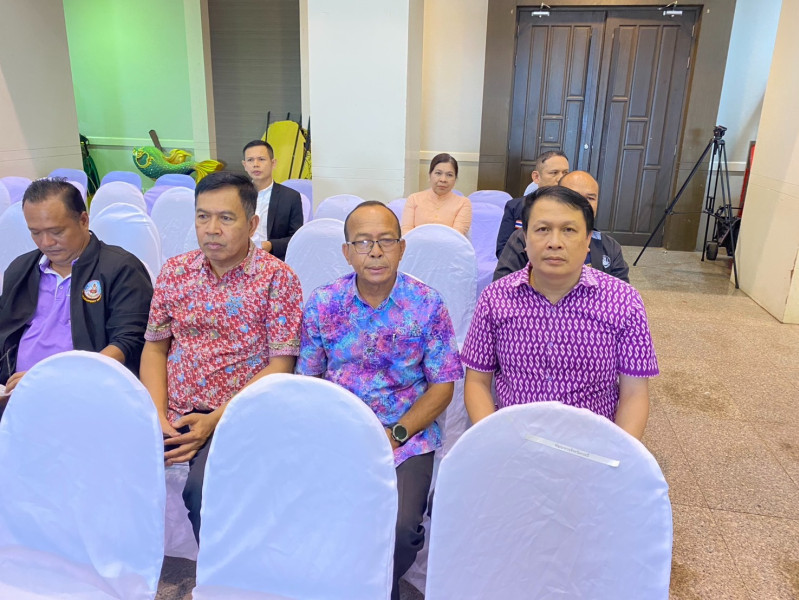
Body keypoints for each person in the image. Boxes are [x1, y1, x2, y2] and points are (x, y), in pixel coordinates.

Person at [296, 201, 463, 600]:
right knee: (325, 517)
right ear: (346, 251)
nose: (375, 252)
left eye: (386, 241)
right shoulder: (323, 303)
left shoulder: (427, 304)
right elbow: (308, 380)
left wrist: (397, 433)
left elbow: (443, 386)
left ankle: (375, 587)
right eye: (363, 242)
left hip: (406, 438)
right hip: (339, 435)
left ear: (402, 248)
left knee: (402, 530)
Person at [140, 171, 303, 541]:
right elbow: (155, 346)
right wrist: (157, 414)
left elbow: (281, 365)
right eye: (203, 216)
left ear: (252, 224)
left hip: (238, 415)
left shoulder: (277, 280)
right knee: (106, 463)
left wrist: (214, 420)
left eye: (226, 218)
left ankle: (222, 570)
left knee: (206, 492)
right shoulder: (175, 272)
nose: (212, 229)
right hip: (173, 409)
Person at [463, 186, 658, 440]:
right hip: (515, 442)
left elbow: (634, 394)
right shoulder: (494, 298)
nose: (554, 242)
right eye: (543, 229)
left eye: (569, 230)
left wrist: (616, 455)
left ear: (588, 240)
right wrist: (495, 442)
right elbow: (477, 381)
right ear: (524, 238)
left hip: (593, 445)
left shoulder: (624, 301)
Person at [0, 178, 152, 399]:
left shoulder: (120, 268)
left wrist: (59, 377)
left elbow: (128, 341)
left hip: (88, 390)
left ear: (83, 220)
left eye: (56, 231)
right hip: (17, 390)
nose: (46, 242)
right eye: (35, 232)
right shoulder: (21, 269)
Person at [494, 171, 629, 282]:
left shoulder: (609, 246)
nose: (583, 204)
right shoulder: (524, 237)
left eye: (590, 198)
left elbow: (621, 296)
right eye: (573, 196)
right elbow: (502, 287)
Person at [495, 150, 569, 258]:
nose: (560, 178)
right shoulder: (516, 207)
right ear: (536, 177)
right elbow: (503, 250)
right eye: (554, 173)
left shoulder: (574, 209)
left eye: (565, 173)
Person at [241, 139, 303, 261]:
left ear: (273, 163)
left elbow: (297, 238)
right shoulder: (237, 194)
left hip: (272, 259)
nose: (255, 164)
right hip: (240, 257)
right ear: (245, 165)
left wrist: (271, 245)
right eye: (250, 160)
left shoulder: (290, 197)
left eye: (261, 159)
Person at [401, 153, 471, 236]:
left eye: (449, 175)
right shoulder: (413, 199)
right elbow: (406, 232)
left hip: (449, 244)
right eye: (438, 173)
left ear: (455, 179)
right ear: (430, 175)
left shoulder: (463, 203)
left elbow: (457, 235)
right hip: (416, 244)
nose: (443, 179)